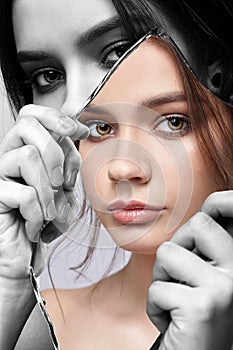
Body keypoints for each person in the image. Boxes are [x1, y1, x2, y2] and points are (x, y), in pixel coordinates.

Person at [0, 0, 232, 349]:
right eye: (48, 76)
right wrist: (7, 284)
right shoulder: (35, 329)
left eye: (119, 50)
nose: (74, 108)